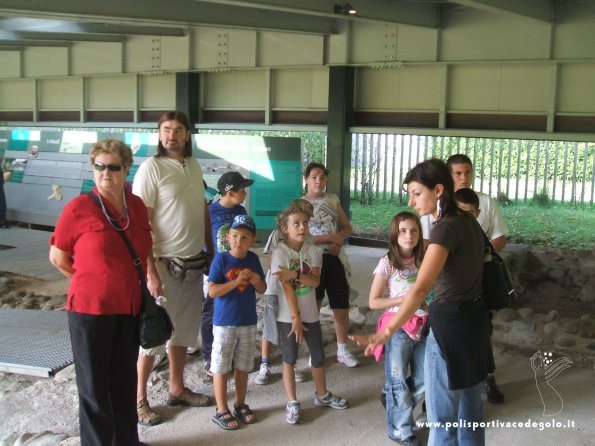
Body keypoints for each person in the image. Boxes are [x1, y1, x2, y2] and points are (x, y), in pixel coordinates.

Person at [351, 158, 494, 446]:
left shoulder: (444, 228)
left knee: (442, 419)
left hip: (448, 327)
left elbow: (419, 290)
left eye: (417, 193)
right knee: (470, 410)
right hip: (474, 323)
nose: (412, 201)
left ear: (438, 190)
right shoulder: (469, 221)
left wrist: (386, 332)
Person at [49, 139, 152, 445]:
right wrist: (92, 280)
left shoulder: (136, 207)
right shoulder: (78, 208)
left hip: (129, 308)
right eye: (99, 166)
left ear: (126, 169)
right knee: (94, 390)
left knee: (123, 383)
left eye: (113, 167)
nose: (105, 172)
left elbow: (145, 252)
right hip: (90, 312)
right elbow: (58, 258)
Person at [133, 110, 214, 427]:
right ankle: (138, 400)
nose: (172, 135)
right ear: (158, 134)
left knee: (182, 333)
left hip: (194, 264)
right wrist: (150, 271)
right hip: (163, 266)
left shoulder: (193, 166)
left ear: (187, 134)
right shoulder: (151, 169)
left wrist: (210, 250)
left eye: (178, 129)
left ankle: (177, 388)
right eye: (166, 129)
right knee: (153, 337)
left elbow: (202, 211)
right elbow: (141, 224)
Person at [421, 153, 508, 404]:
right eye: (458, 173)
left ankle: (485, 376)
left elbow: (500, 237)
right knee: (438, 336)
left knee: (481, 332)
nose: (464, 177)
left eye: (467, 172)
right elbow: (427, 243)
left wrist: (475, 257)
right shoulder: (435, 205)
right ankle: (433, 388)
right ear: (447, 177)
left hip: (478, 280)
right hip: (444, 284)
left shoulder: (486, 202)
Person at [271, 199, 349, 425]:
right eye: (296, 223)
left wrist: (294, 275)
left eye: (305, 223)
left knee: (318, 354)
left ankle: (322, 394)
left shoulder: (313, 250)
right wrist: (296, 318)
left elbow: (314, 282)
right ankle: (292, 401)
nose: (302, 227)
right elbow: (285, 288)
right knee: (289, 358)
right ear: (285, 228)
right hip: (289, 316)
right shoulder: (280, 253)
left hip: (310, 314)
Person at [369, 211, 429, 446]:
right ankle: (401, 429)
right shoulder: (387, 263)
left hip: (424, 326)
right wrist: (403, 299)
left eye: (414, 230)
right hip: (399, 329)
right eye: (403, 231)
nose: (409, 235)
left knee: (424, 378)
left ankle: (393, 401)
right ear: (395, 234)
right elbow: (373, 301)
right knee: (398, 382)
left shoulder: (425, 259)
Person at [208, 215, 266, 430]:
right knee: (221, 366)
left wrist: (255, 279)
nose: (238, 241)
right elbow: (213, 291)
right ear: (227, 237)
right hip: (224, 323)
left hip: (248, 322)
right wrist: (237, 281)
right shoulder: (221, 260)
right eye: (234, 236)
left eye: (244, 237)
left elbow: (262, 289)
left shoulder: (253, 259)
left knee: (243, 366)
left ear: (252, 240)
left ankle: (240, 403)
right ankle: (221, 409)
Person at [301, 162, 359, 368]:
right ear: (306, 179)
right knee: (312, 308)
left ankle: (343, 350)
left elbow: (347, 227)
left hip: (334, 260)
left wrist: (338, 238)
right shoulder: (298, 204)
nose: (319, 180)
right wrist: (329, 238)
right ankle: (314, 352)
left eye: (323, 177)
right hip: (311, 262)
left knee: (340, 307)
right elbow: (298, 237)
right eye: (314, 176)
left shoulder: (332, 200)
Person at [199, 171, 254, 376]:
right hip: (215, 269)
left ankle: (233, 353)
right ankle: (208, 356)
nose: (246, 193)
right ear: (230, 191)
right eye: (242, 189)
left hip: (236, 268)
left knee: (235, 308)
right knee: (210, 312)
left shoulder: (240, 210)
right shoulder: (209, 211)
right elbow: (202, 238)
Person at [255, 227, 306, 385]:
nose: (301, 226)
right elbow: (270, 262)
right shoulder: (278, 234)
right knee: (269, 324)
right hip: (274, 288)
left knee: (292, 324)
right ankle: (265, 363)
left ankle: (291, 363)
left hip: (296, 288)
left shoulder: (305, 236)